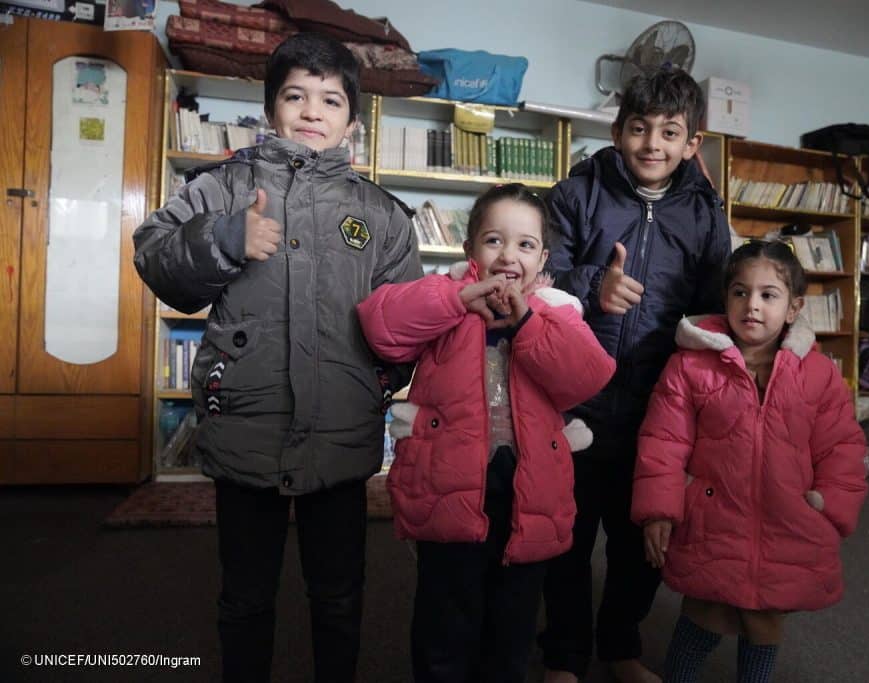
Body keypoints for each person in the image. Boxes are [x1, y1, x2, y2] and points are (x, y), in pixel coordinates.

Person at [132, 33, 421, 683]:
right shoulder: (225, 185)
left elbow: (405, 321)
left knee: (339, 591)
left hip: (342, 429)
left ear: (352, 119)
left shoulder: (382, 214)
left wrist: (376, 381)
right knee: (245, 592)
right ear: (271, 110)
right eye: (296, 95)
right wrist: (226, 239)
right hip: (247, 423)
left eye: (330, 99)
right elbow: (153, 251)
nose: (312, 110)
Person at [356, 183, 616, 683]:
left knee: (513, 622)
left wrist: (527, 323)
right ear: (469, 249)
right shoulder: (443, 297)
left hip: (528, 490)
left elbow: (589, 374)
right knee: (445, 618)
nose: (508, 256)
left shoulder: (557, 311)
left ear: (543, 258)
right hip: (449, 485)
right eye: (494, 240)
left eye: (524, 245)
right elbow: (380, 325)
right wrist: (455, 299)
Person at [539, 69, 732, 683]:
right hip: (574, 402)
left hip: (658, 410)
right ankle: (564, 654)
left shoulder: (704, 215)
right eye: (640, 128)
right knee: (563, 539)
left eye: (669, 132)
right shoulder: (576, 194)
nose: (653, 143)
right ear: (619, 131)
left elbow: (713, 308)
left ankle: (620, 646)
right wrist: (595, 286)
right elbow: (539, 281)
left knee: (640, 543)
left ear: (691, 142)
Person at [632, 241, 868, 682]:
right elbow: (662, 441)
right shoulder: (690, 367)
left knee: (764, 621)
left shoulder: (819, 375)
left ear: (794, 307)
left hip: (789, 518)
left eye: (768, 295)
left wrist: (831, 507)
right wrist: (659, 510)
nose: (752, 305)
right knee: (703, 611)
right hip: (713, 516)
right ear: (725, 299)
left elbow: (841, 448)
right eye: (740, 292)